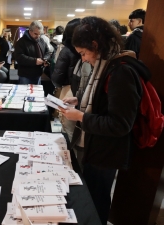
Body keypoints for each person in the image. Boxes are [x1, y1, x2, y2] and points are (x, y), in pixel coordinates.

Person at [59, 16, 142, 225]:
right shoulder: (106, 64)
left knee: (97, 201)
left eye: (84, 53)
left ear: (95, 45)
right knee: (93, 196)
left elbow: (120, 124)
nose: (84, 59)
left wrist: (81, 117)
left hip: (107, 152)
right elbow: (104, 101)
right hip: (98, 148)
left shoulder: (120, 70)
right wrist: (80, 101)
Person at [51, 18, 82, 141]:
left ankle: (69, 154)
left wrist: (57, 84)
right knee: (75, 125)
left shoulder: (67, 50)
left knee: (68, 125)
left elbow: (58, 76)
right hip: (79, 90)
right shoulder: (78, 50)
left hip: (69, 89)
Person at [14, 20, 50, 84]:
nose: (38, 36)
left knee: (36, 93)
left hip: (38, 74)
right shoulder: (21, 42)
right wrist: (34, 61)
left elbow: (47, 51)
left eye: (40, 34)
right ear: (30, 31)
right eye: (36, 34)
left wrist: (45, 59)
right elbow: (19, 57)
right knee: (25, 93)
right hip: (25, 75)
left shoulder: (41, 40)